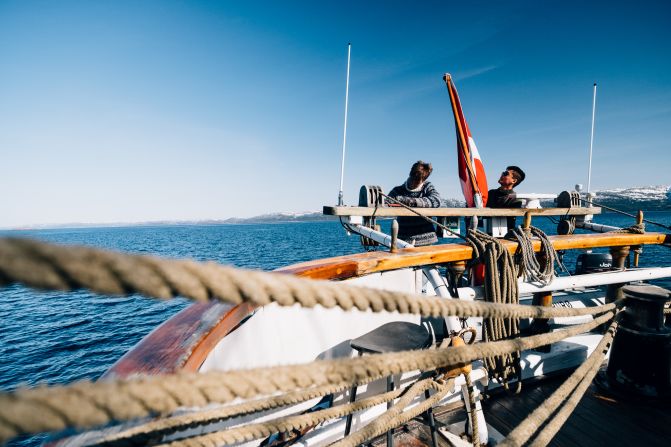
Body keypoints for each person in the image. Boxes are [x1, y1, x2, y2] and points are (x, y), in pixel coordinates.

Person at [387, 161, 442, 246]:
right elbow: (385, 204)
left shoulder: (427, 187)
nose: (413, 183)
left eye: (417, 181)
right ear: (410, 174)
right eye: (413, 179)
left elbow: (436, 201)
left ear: (424, 180)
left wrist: (409, 201)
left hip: (427, 240)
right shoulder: (397, 191)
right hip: (403, 240)